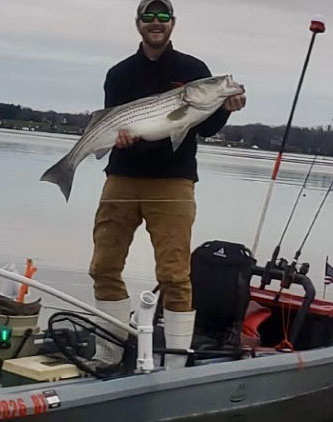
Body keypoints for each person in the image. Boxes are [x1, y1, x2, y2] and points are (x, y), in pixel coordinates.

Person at [89, 0, 246, 369]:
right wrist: (119, 138)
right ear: (138, 23)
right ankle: (108, 353)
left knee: (174, 274)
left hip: (173, 183)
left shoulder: (194, 71)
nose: (156, 22)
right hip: (122, 179)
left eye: (163, 16)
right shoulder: (119, 73)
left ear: (173, 23)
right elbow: (113, 122)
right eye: (149, 16)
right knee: (104, 266)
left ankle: (175, 363)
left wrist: (224, 106)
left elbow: (204, 128)